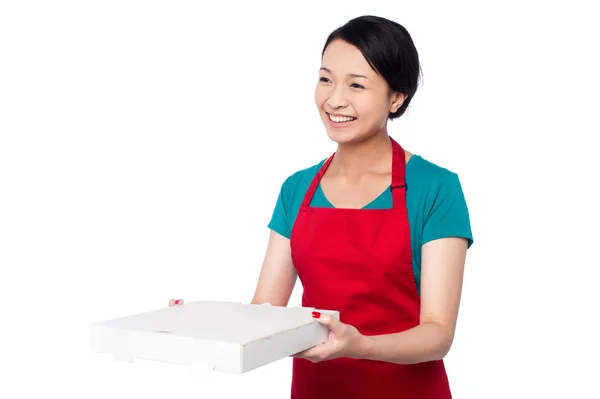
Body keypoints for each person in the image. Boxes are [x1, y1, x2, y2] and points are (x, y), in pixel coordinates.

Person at [170, 15, 473, 399]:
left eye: (357, 85)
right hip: (316, 390)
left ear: (396, 97)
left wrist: (359, 345)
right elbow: (266, 311)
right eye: (326, 78)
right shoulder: (297, 189)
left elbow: (438, 334)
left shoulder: (436, 188)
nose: (334, 99)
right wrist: (201, 322)